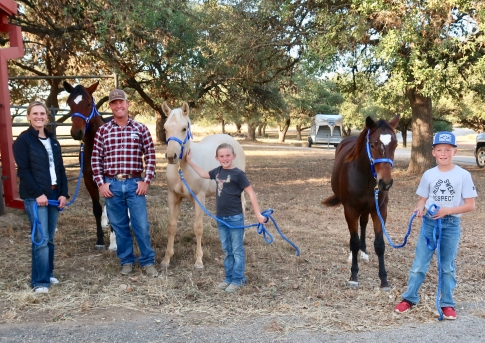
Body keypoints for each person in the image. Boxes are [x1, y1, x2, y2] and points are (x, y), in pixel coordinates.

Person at [394, 131, 477, 320]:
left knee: (447, 266)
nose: (443, 153)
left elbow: (471, 205)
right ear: (433, 152)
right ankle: (409, 298)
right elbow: (422, 199)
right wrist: (420, 209)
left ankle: (447, 303)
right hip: (429, 225)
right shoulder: (429, 174)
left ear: (454, 152)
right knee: (419, 265)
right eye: (439, 149)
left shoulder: (463, 175)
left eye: (448, 149)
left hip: (450, 224)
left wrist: (446, 211)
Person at [91, 89, 158, 277]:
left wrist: (146, 181)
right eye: (114, 103)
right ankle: (127, 260)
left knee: (141, 225)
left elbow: (150, 156)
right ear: (110, 106)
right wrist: (101, 183)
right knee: (119, 226)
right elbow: (96, 158)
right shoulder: (103, 131)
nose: (118, 105)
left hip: (134, 184)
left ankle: (147, 261)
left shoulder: (140, 129)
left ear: (128, 104)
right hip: (111, 185)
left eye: (121, 102)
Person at [186, 143, 266, 292]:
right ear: (217, 158)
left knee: (237, 249)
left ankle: (238, 279)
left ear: (234, 156)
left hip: (235, 218)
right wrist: (189, 161)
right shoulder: (217, 172)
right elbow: (203, 174)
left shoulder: (238, 174)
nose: (225, 158)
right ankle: (228, 278)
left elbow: (251, 193)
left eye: (228, 155)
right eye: (221, 156)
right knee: (226, 249)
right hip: (221, 218)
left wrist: (258, 214)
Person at [13, 101, 69, 293]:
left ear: (47, 116)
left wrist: (63, 193)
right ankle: (39, 281)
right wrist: (38, 194)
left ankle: (48, 272)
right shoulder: (23, 141)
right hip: (35, 196)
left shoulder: (53, 140)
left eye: (42, 114)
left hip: (53, 193)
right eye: (35, 113)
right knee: (41, 238)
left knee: (50, 238)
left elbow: (60, 169)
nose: (39, 117)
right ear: (28, 116)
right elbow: (24, 171)